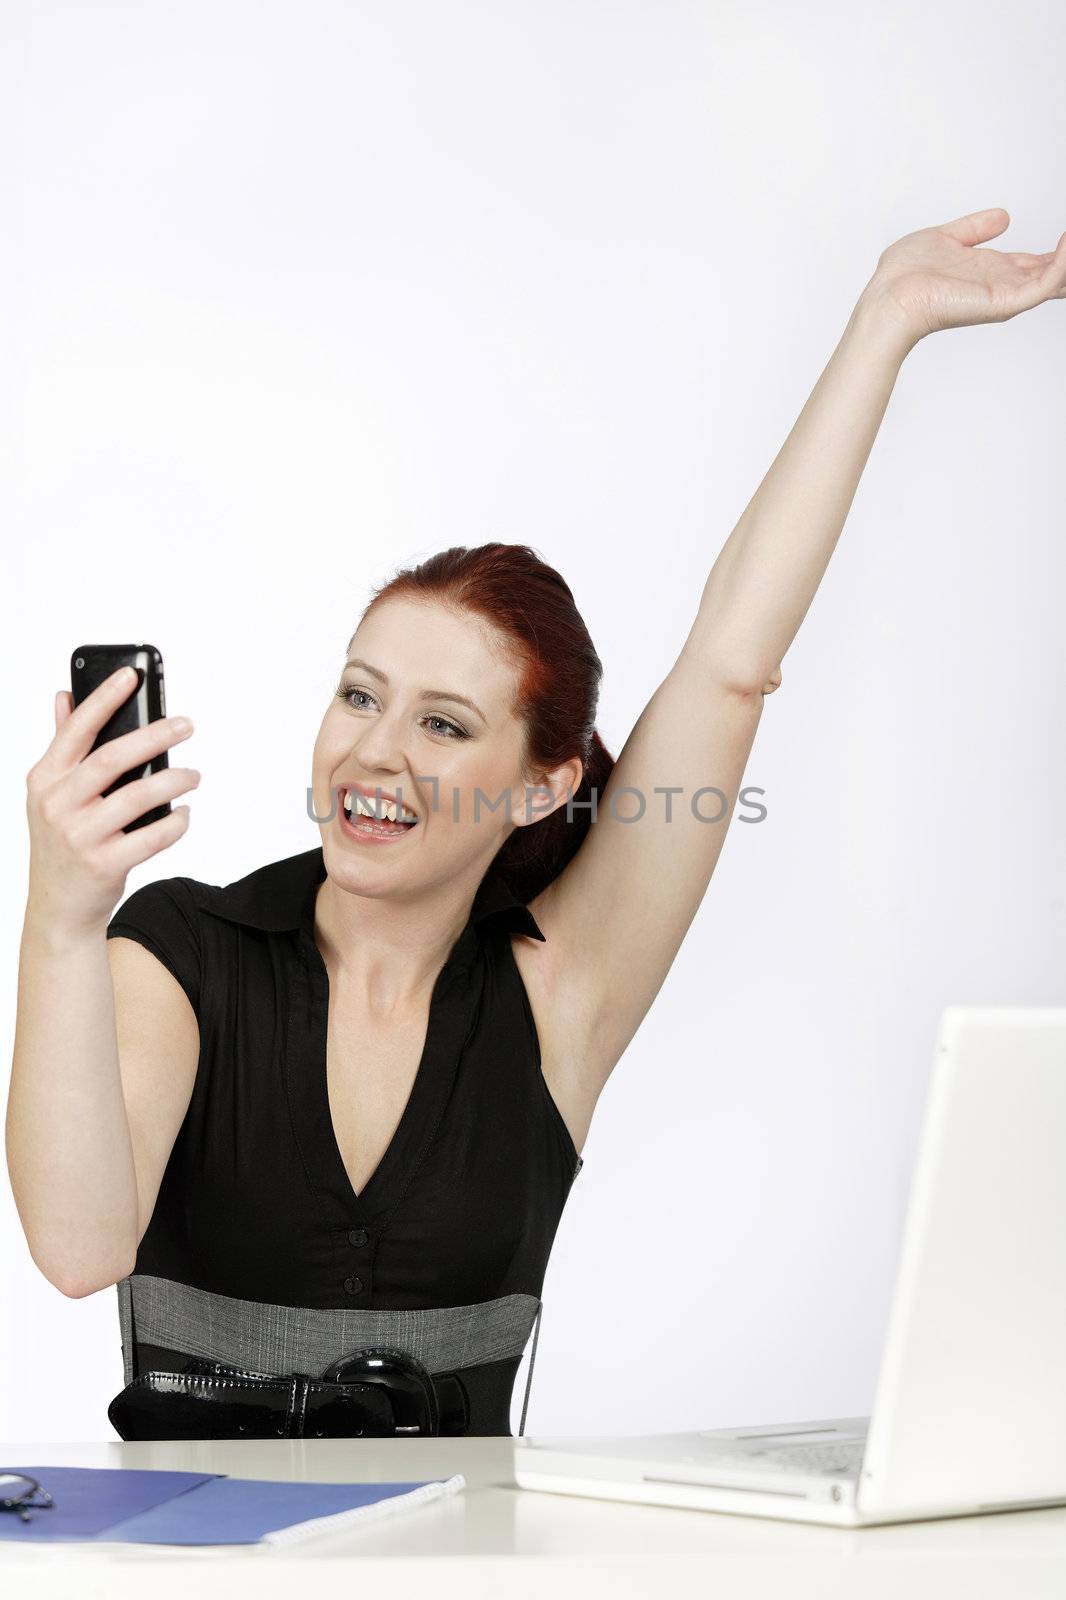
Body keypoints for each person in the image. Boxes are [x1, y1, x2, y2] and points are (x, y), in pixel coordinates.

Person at [9, 208, 1064, 1440]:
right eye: (360, 693)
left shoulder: (561, 994)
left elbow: (731, 663)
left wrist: (885, 323)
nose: (376, 749)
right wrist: (62, 922)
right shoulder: (172, 956)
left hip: (469, 1564)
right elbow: (81, 1250)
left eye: (445, 724)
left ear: (541, 785)